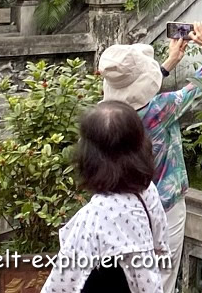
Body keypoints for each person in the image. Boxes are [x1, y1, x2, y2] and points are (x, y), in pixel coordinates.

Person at [99, 23, 202, 293]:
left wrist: (168, 64)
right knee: (162, 279)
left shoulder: (107, 113)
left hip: (124, 208)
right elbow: (200, 84)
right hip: (165, 206)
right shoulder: (161, 109)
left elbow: (137, 94)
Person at [42, 101, 169, 293]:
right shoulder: (147, 191)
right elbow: (160, 246)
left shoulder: (96, 215)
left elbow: (63, 282)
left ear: (89, 156)